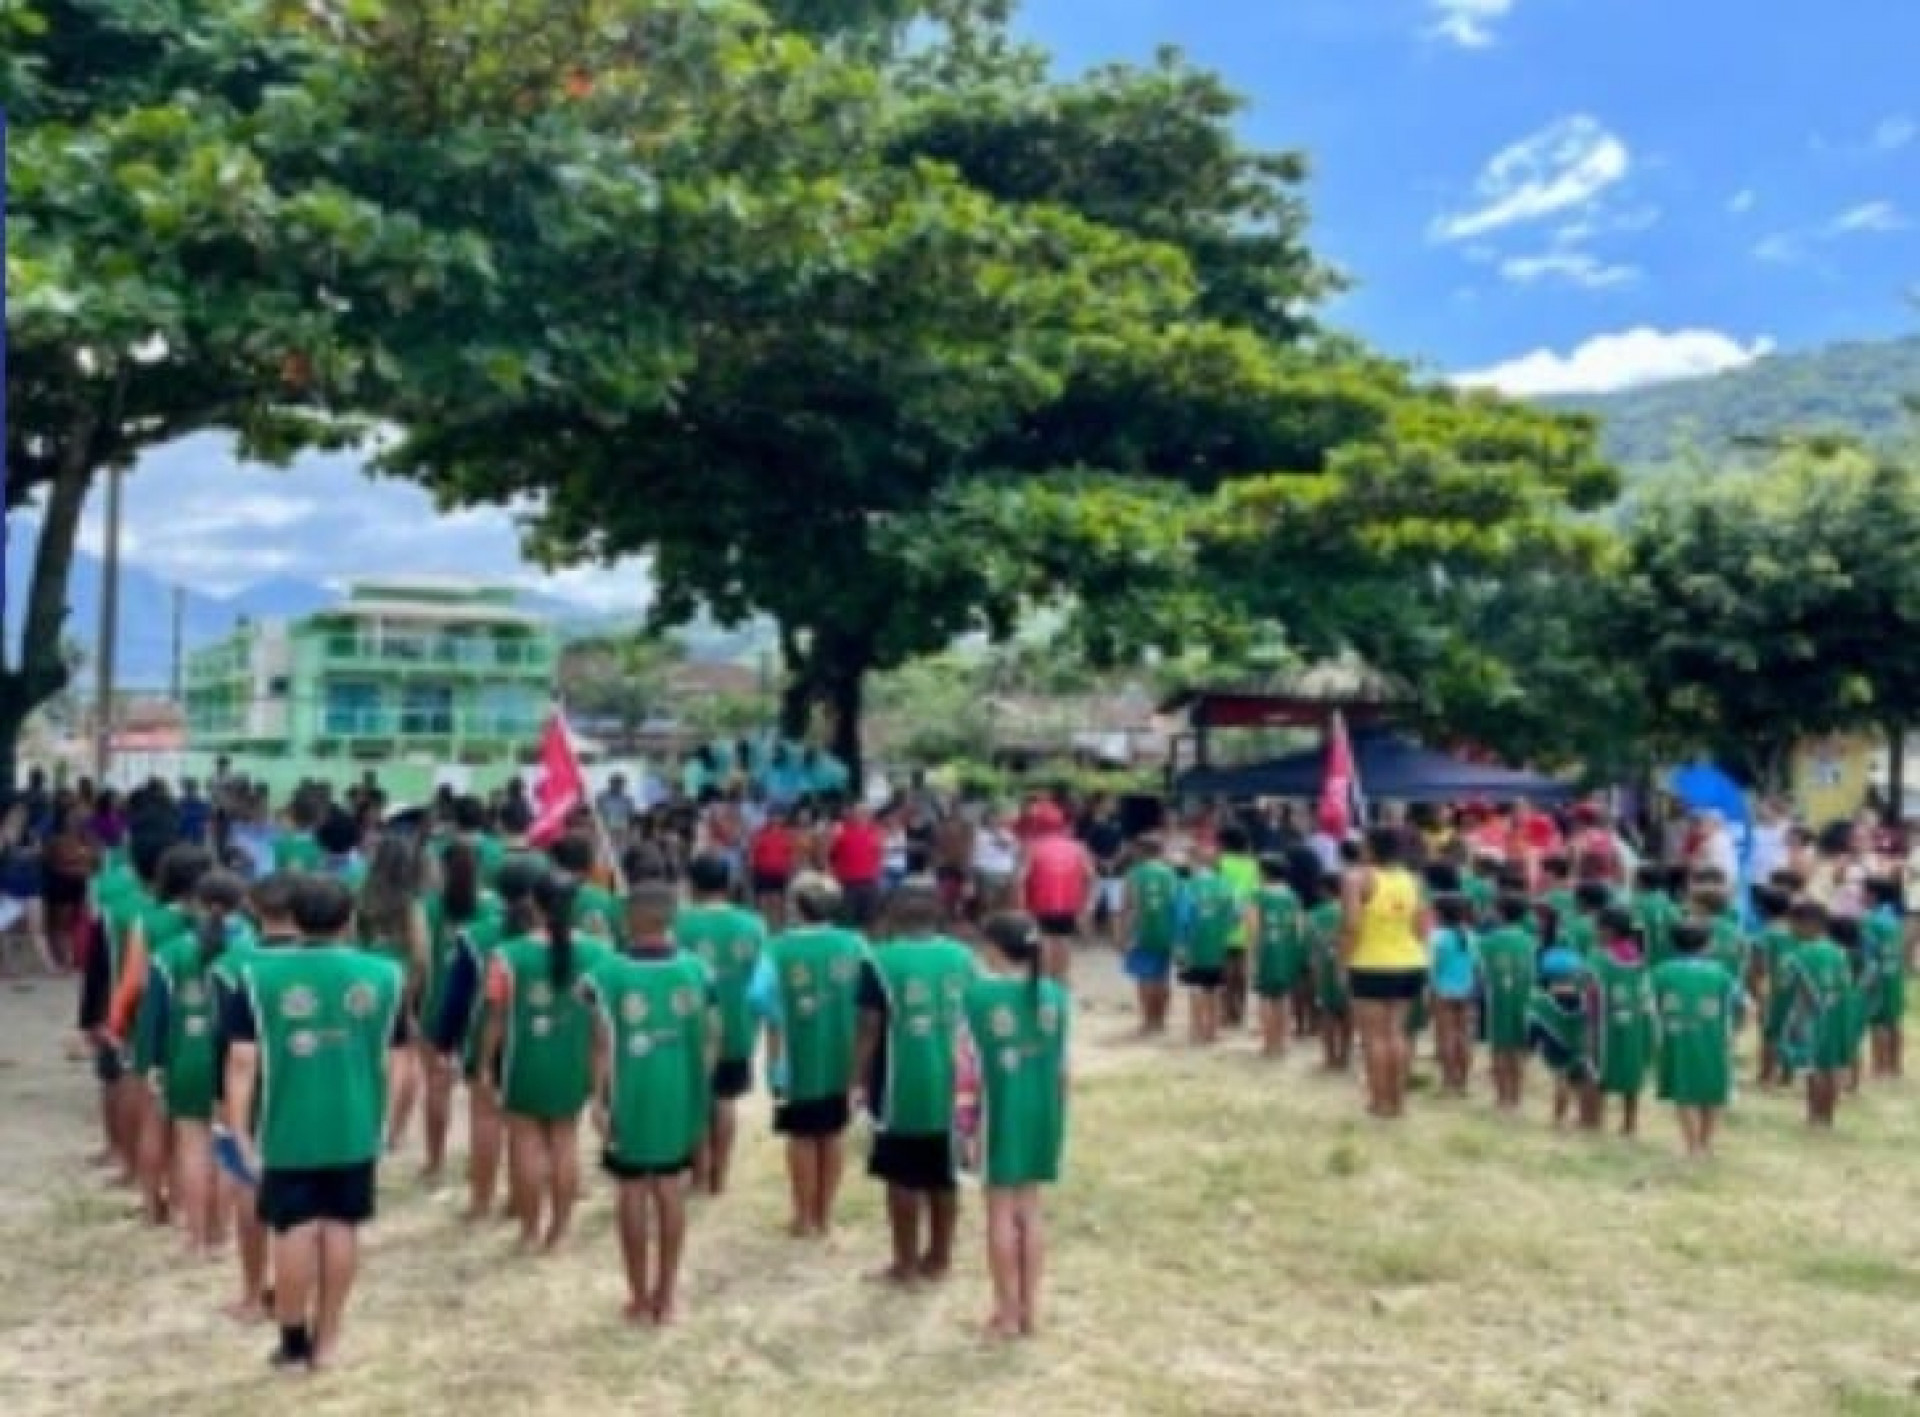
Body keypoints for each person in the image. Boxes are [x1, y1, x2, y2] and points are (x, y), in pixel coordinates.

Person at [223, 874, 407, 1371]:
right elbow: (401, 1060)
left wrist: (240, 1135)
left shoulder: (257, 978)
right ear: (349, 920)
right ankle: (328, 1343)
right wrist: (392, 1122)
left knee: (294, 1229)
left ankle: (293, 1342)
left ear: (294, 918)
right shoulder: (385, 975)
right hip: (355, 1124)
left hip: (286, 1126)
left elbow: (242, 1063)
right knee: (342, 1226)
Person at [584, 882, 716, 1326]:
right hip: (679, 1093)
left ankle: (639, 1297)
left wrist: (597, 1099)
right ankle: (668, 1296)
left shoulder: (607, 974)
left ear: (630, 921)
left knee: (633, 1189)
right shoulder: (698, 971)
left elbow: (600, 1044)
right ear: (670, 920)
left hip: (630, 1094)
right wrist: (701, 1084)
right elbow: (713, 1035)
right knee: (669, 1187)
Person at [854, 880, 977, 1286]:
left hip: (900, 1085)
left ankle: (904, 1264)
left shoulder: (879, 961)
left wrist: (855, 1081)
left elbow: (869, 1028)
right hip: (955, 1084)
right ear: (938, 915)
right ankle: (939, 1259)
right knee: (945, 1174)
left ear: (892, 916)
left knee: (901, 1176)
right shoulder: (964, 957)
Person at [483, 870, 608, 1252]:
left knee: (525, 1146)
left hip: (524, 1063)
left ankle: (528, 1232)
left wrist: (485, 1066)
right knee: (565, 1141)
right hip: (573, 1065)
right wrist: (600, 1080)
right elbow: (602, 1025)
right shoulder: (600, 954)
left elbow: (496, 1019)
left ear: (532, 904)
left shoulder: (507, 956)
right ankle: (561, 1232)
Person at [963, 913, 1069, 1341]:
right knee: (1031, 1207)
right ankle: (1030, 1311)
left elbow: (964, 1071)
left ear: (993, 948)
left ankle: (1006, 1314)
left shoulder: (976, 998)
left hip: (998, 1111)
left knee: (1000, 1212)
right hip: (1042, 1110)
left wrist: (965, 1130)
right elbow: (1063, 1070)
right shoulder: (1055, 996)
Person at [750, 873, 868, 1236]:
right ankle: (825, 1216)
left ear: (797, 906)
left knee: (800, 1137)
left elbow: (757, 996)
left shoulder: (777, 948)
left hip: (795, 1059)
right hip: (844, 1058)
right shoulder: (856, 944)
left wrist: (776, 1044)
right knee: (833, 1134)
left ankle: (803, 1217)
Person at [141, 867, 249, 1257]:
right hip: (236, 1060)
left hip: (185, 1054)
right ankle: (223, 1234)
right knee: (228, 1144)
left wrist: (154, 1063)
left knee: (191, 1145)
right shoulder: (252, 951)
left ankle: (195, 1236)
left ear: (198, 903)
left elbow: (155, 1014)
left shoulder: (170, 953)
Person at [211, 871, 300, 1324]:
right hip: (308, 1087)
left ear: (254, 909)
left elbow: (226, 1045)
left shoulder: (232, 965)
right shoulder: (324, 962)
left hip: (251, 1090)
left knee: (250, 1187)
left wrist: (224, 1105)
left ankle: (252, 1291)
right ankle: (293, 1295)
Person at [671, 853, 766, 1196]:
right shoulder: (754, 924)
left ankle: (699, 1173)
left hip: (691, 1025)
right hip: (738, 1022)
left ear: (692, 885)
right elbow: (761, 980)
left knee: (696, 1099)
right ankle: (720, 1178)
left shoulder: (679, 925)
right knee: (725, 1099)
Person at [1341, 827, 1430, 1119]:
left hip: (1371, 963)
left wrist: (1343, 960)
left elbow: (1352, 926)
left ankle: (1379, 1102)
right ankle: (1399, 1103)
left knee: (1374, 1038)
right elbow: (1421, 928)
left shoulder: (1356, 879)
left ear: (1370, 848)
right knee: (1398, 1034)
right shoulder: (1414, 880)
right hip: (1410, 963)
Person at [357, 833, 431, 1154]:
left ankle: (371, 1121)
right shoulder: (410, 905)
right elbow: (421, 956)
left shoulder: (360, 897)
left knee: (366, 1058)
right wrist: (412, 999)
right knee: (406, 1059)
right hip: (399, 986)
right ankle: (395, 1131)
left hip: (362, 985)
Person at [1651, 921, 1741, 1158]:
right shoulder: (1721, 973)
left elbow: (1649, 1006)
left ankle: (1692, 1146)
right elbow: (1744, 1005)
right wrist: (1735, 1032)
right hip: (1714, 1038)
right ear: (1707, 946)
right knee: (1714, 1090)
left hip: (1677, 1039)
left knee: (1685, 1090)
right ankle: (1706, 1143)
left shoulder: (1661, 971)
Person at [1778, 900, 1854, 1128]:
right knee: (1831, 1068)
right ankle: (1828, 1117)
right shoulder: (1840, 952)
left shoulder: (1797, 956)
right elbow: (1846, 985)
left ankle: (1813, 1115)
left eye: (1793, 925)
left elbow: (1785, 987)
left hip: (1811, 1018)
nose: (1790, 930)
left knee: (1814, 1069)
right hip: (1839, 1015)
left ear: (1809, 924)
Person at [1590, 906, 1654, 1137]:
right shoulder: (1637, 956)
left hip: (1603, 1021)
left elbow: (1591, 989)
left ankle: (1595, 1120)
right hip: (1634, 1022)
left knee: (1598, 1068)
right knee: (1631, 1071)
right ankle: (1629, 1123)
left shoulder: (1600, 957)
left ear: (1608, 931)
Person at [1018, 802, 1094, 985]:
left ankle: (1042, 979)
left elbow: (1021, 877)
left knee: (1042, 939)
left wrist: (1020, 905)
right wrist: (1086, 903)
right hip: (1068, 902)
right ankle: (1062, 978)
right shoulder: (1078, 847)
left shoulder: (1032, 847)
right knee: (1063, 939)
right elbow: (1090, 875)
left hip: (1040, 901)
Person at [1478, 894, 1536, 1110]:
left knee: (1499, 1049)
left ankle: (1502, 1097)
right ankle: (1517, 1097)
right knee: (1518, 1049)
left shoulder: (1487, 941)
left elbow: (1481, 971)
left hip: (1497, 1001)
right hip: (1524, 1000)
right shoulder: (1529, 940)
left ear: (1500, 913)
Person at [1178, 853, 1241, 1047]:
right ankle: (1212, 1031)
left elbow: (1183, 918)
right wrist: (1222, 931)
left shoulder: (1188, 886)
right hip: (1217, 946)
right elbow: (1236, 915)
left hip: (1194, 946)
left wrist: (1181, 945)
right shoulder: (1225, 886)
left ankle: (1196, 1030)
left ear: (1197, 865)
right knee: (1213, 989)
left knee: (1195, 989)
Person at [1119, 834, 1179, 1035]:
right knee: (1162, 977)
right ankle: (1161, 1020)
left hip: (1141, 931)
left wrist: (1123, 935)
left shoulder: (1133, 874)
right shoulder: (1170, 874)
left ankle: (1147, 1020)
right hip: (1166, 931)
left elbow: (1128, 907)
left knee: (1144, 977)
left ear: (1142, 851)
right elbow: (1175, 904)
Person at [1252, 855, 1306, 1059]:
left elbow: (1254, 930)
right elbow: (1299, 929)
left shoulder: (1258, 895)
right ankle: (1282, 1043)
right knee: (1283, 997)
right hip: (1288, 951)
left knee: (1266, 997)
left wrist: (1254, 955)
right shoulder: (1293, 896)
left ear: (1265, 872)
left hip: (1267, 951)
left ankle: (1269, 1043)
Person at [1427, 893, 1479, 1095]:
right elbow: (1475, 965)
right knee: (1464, 1035)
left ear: (1440, 914)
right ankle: (1463, 1081)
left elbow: (1432, 966)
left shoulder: (1436, 937)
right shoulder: (1471, 936)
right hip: (1466, 988)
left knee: (1446, 1035)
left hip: (1442, 989)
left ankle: (1448, 1079)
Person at [1213, 825, 1259, 1029]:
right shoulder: (1253, 865)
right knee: (1241, 970)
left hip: (1222, 921)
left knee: (1225, 969)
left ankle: (1226, 1012)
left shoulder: (1219, 863)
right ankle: (1239, 1012)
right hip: (1246, 920)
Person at [1306, 870, 1351, 1070]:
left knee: (1327, 1012)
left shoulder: (1314, 916)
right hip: (1350, 967)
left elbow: (1311, 949)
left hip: (1324, 968)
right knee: (1347, 1012)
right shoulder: (1352, 913)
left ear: (1323, 891)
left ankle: (1329, 1056)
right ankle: (1345, 1055)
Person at [1862, 877, 1906, 1078]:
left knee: (1877, 1022)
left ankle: (1878, 1067)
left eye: (1864, 891)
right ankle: (1895, 1066)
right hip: (1895, 973)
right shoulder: (1895, 918)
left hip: (1878, 975)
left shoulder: (1870, 920)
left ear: (1873, 895)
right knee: (1894, 1019)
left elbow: (1868, 952)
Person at [828, 803, 885, 930]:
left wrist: (878, 874)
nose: (862, 816)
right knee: (848, 921)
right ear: (852, 814)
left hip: (869, 882)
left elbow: (879, 855)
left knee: (870, 920)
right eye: (859, 812)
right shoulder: (841, 831)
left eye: (865, 813)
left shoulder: (876, 832)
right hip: (848, 884)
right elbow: (830, 855)